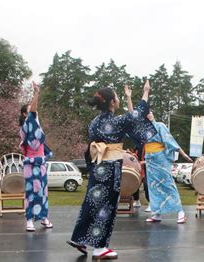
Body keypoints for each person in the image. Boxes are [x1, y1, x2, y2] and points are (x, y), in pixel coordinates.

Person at [67, 80, 151, 260]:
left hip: (97, 168)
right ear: (112, 102)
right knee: (107, 207)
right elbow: (137, 114)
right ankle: (100, 247)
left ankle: (79, 238)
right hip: (110, 169)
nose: (119, 99)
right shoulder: (115, 122)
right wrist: (145, 92)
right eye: (118, 97)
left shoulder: (95, 122)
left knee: (91, 203)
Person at [125, 86, 192, 223]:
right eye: (146, 114)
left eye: (150, 113)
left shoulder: (160, 125)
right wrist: (128, 97)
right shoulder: (143, 129)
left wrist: (183, 154)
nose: (148, 115)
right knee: (153, 186)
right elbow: (132, 115)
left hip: (160, 157)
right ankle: (157, 213)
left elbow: (170, 141)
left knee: (168, 184)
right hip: (150, 158)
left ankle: (180, 212)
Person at [19, 82, 54, 232]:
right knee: (31, 192)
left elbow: (34, 111)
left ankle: (44, 218)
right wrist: (37, 93)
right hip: (30, 164)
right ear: (25, 115)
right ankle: (29, 220)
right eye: (31, 111)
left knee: (43, 191)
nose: (35, 112)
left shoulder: (36, 126)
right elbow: (33, 110)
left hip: (41, 163)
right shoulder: (26, 126)